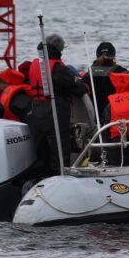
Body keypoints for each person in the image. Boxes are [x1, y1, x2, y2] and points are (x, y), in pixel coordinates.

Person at [25, 34, 88, 174]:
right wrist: (83, 84)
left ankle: (41, 177)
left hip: (37, 112)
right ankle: (60, 176)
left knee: (42, 149)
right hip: (55, 112)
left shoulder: (34, 64)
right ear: (59, 50)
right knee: (59, 150)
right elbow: (77, 88)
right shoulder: (58, 68)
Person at [82, 41, 121, 124]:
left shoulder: (87, 76)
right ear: (114, 56)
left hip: (93, 119)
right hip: (114, 119)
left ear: (97, 56)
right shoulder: (122, 73)